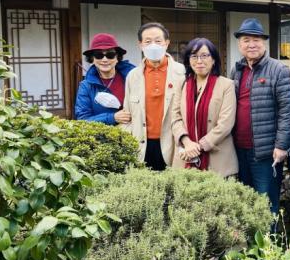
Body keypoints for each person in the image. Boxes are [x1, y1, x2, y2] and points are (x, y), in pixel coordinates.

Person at [231, 18, 290, 214]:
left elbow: (287, 110)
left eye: (256, 40)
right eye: (246, 40)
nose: (251, 44)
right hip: (239, 149)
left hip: (266, 152)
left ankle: (269, 235)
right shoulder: (237, 70)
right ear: (239, 44)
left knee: (266, 203)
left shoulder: (279, 70)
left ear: (264, 43)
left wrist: (281, 145)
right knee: (245, 201)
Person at [123, 22, 185, 171]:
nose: (153, 45)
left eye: (158, 41)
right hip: (142, 144)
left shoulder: (182, 72)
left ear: (167, 43)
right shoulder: (133, 76)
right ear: (140, 45)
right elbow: (127, 113)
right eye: (148, 41)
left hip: (173, 142)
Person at [172, 38, 237, 177]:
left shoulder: (226, 85)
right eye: (194, 56)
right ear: (188, 60)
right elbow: (175, 117)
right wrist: (187, 142)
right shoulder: (182, 84)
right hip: (185, 156)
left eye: (205, 55)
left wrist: (197, 147)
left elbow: (225, 124)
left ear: (213, 60)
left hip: (217, 157)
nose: (199, 61)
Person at [75, 33, 134, 125]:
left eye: (110, 55)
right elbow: (83, 120)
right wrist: (112, 118)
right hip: (103, 133)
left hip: (134, 131)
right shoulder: (86, 86)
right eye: (99, 55)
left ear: (117, 58)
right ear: (92, 59)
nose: (105, 60)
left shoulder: (132, 78)